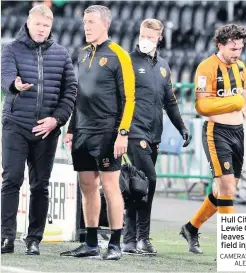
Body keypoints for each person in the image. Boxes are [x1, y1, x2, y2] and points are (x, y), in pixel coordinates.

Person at [180, 24, 246, 254]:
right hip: (216, 132)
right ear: (220, 44)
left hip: (238, 132)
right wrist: (234, 102)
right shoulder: (206, 68)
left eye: (240, 48)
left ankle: (191, 227)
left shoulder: (241, 68)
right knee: (226, 188)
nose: (237, 53)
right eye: (233, 48)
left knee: (224, 191)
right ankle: (233, 248)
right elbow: (202, 106)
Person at [60, 5, 135, 260]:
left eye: (91, 22)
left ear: (105, 24)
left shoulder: (119, 55)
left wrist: (122, 133)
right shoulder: (81, 54)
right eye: (84, 22)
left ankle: (115, 244)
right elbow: (78, 96)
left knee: (110, 186)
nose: (86, 27)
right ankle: (90, 243)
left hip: (107, 131)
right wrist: (71, 128)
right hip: (82, 130)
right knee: (87, 186)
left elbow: (129, 98)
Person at [1, 5, 77, 255]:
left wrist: (56, 120)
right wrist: (15, 85)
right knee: (11, 180)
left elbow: (70, 92)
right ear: (29, 23)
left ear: (51, 26)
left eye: (47, 26)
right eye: (38, 25)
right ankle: (5, 237)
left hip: (47, 130)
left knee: (40, 185)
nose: (42, 29)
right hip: (16, 125)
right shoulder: (10, 49)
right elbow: (6, 77)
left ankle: (33, 239)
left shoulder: (62, 54)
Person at [122, 19, 192, 255]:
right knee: (149, 180)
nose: (146, 40)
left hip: (155, 133)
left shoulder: (163, 66)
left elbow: (170, 101)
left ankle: (129, 239)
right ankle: (142, 237)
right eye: (143, 35)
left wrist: (181, 126)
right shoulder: (127, 61)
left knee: (137, 186)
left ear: (159, 38)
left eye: (151, 37)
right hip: (133, 131)